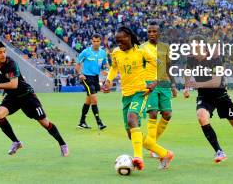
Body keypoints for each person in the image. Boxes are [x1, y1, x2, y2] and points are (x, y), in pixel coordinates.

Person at [102, 26, 174, 171]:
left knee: (132, 117)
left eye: (121, 41)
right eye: (117, 42)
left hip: (141, 92)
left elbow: (159, 65)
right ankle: (165, 154)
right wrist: (108, 81)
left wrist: (155, 82)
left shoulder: (141, 52)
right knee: (131, 134)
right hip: (126, 95)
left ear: (128, 37)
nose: (119, 44)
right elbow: (114, 68)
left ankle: (138, 158)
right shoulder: (116, 53)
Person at [0, 41, 69, 157]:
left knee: (44, 122)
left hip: (26, 94)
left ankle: (63, 144)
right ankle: (16, 142)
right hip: (12, 97)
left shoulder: (11, 64)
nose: (3, 54)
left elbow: (14, 85)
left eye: (4, 51)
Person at [183, 43, 233, 163]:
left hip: (221, 96)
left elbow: (216, 82)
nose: (194, 54)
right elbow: (187, 71)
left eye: (197, 52)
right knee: (201, 117)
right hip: (205, 97)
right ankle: (219, 151)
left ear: (205, 51)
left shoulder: (215, 60)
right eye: (193, 51)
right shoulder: (192, 60)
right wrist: (186, 87)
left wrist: (196, 85)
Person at [140, 22, 177, 158]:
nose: (151, 34)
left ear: (159, 33)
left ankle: (152, 143)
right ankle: (154, 147)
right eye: (149, 31)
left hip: (164, 83)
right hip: (150, 83)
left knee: (167, 114)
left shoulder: (165, 47)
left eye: (154, 31)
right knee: (153, 113)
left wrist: (173, 85)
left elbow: (168, 67)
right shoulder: (142, 48)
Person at [75, 34, 108, 130]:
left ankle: (82, 122)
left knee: (88, 101)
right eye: (94, 41)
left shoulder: (103, 53)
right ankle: (99, 123)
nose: (96, 43)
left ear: (100, 41)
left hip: (95, 78)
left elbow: (104, 64)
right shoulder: (86, 52)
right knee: (94, 99)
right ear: (91, 41)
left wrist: (105, 70)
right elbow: (77, 65)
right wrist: (80, 74)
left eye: (97, 41)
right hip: (86, 78)